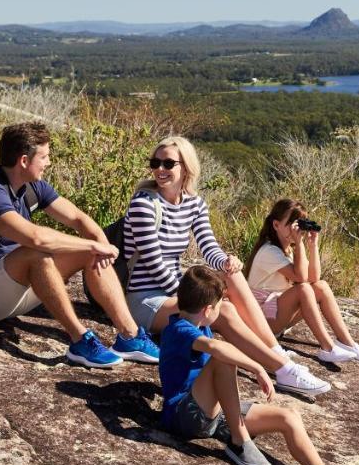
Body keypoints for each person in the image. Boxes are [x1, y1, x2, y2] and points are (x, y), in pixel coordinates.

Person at [122, 135, 330, 398]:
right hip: (147, 299)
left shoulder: (194, 204)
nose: (160, 170)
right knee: (222, 311)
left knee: (232, 276)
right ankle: (284, 369)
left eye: (168, 164)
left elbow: (209, 246)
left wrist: (226, 261)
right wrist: (195, 295)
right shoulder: (144, 203)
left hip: (175, 294)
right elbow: (152, 263)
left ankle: (274, 353)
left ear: (186, 167)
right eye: (155, 163)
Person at [0, 121, 159, 369]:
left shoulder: (32, 187)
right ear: (24, 161)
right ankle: (80, 340)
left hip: (16, 291)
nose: (49, 163)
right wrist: (92, 246)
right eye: (45, 157)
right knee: (37, 252)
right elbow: (36, 237)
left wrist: (100, 245)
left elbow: (79, 219)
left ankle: (130, 336)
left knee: (88, 251)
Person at [160, 265, 359, 465]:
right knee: (222, 359)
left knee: (288, 417)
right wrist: (257, 368)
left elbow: (214, 335)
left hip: (213, 413)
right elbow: (217, 349)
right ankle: (239, 440)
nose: (222, 308)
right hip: (183, 416)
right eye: (219, 305)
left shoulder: (198, 323)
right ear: (207, 310)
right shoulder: (178, 329)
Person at [246, 199, 359, 364]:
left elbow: (314, 278)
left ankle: (347, 342)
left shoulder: (288, 251)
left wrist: (313, 245)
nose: (296, 229)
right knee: (303, 289)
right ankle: (327, 347)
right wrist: (299, 244)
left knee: (321, 286)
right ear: (276, 225)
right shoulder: (269, 251)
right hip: (262, 320)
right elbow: (301, 279)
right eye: (291, 224)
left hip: (277, 314)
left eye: (298, 224)